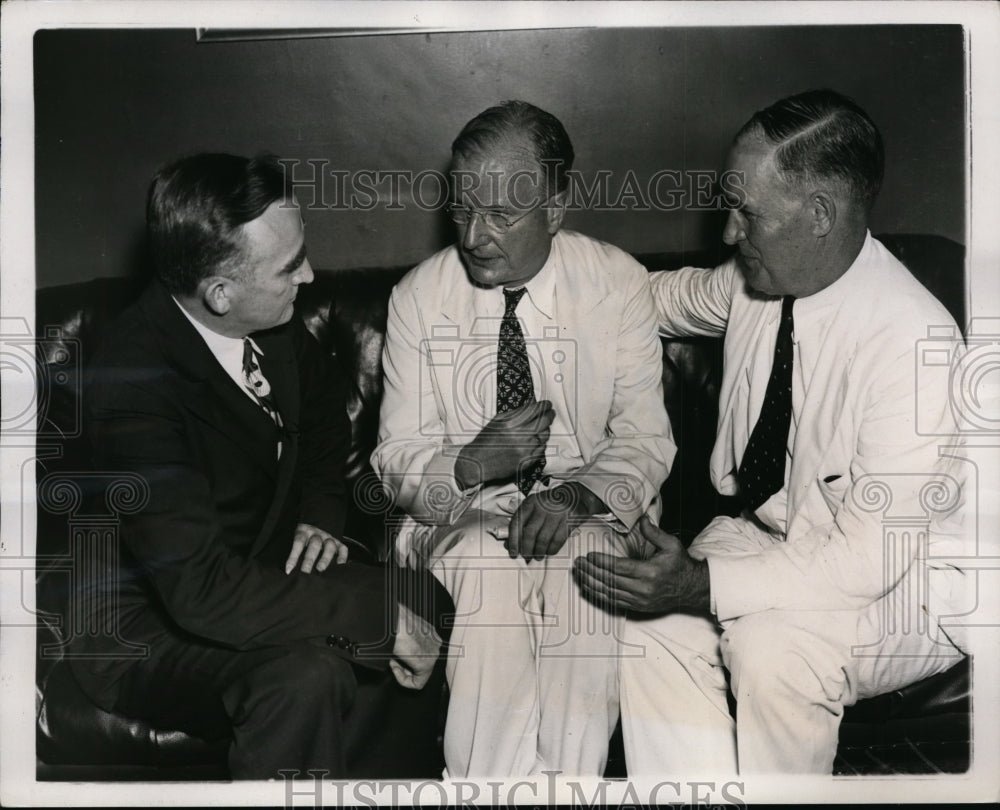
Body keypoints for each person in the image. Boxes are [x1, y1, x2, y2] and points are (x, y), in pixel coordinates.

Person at [573, 89, 969, 774]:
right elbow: (656, 299)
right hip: (767, 534)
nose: (728, 232)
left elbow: (864, 564)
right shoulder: (760, 281)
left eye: (746, 213)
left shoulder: (913, 342)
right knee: (645, 626)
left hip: (910, 584)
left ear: (819, 214)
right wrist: (561, 283)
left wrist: (698, 585)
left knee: (774, 654)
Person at [70, 153, 450, 780]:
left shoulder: (269, 324)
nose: (310, 275)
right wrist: (368, 621)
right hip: (146, 626)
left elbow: (327, 416)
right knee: (305, 676)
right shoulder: (131, 383)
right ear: (220, 293)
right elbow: (199, 592)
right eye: (288, 266)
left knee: (423, 598)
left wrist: (321, 513)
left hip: (250, 571)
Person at [372, 100, 674, 777]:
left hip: (584, 509)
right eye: (462, 210)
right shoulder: (418, 298)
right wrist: (471, 462)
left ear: (556, 209)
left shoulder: (618, 283)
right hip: (460, 515)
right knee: (485, 568)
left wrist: (579, 496)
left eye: (501, 215)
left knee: (589, 562)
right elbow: (395, 459)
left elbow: (645, 438)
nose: (474, 236)